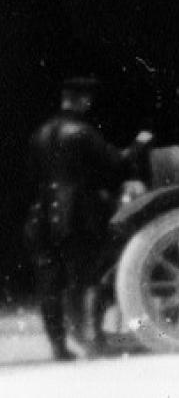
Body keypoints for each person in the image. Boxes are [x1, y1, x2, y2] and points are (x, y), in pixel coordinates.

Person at [24, 77, 152, 360]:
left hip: (42, 214)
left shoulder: (39, 134)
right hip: (77, 214)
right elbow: (115, 163)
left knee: (49, 283)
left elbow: (33, 175)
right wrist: (138, 146)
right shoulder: (82, 131)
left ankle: (59, 348)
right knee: (88, 277)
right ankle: (95, 342)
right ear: (83, 101)